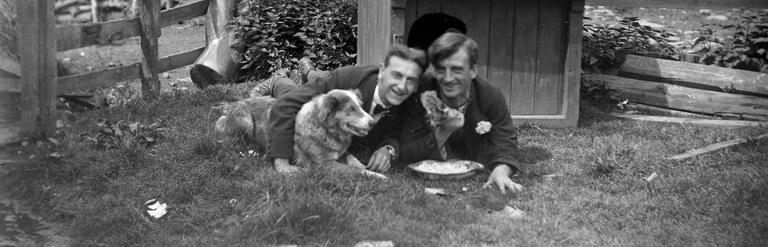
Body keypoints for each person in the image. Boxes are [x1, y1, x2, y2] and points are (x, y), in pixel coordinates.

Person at [266, 45, 428, 174]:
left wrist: (388, 149)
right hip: (332, 87)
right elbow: (286, 105)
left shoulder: (410, 101)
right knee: (292, 93)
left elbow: (395, 132)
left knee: (318, 79)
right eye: (397, 75)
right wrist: (281, 162)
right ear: (382, 71)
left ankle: (309, 71)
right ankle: (278, 79)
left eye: (411, 80)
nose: (402, 86)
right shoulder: (346, 78)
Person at [398, 32, 524, 194]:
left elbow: (505, 141)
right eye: (441, 70)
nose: (448, 78)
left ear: (473, 71)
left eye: (456, 70)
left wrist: (501, 171)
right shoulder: (422, 92)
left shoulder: (490, 95)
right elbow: (408, 151)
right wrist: (443, 131)